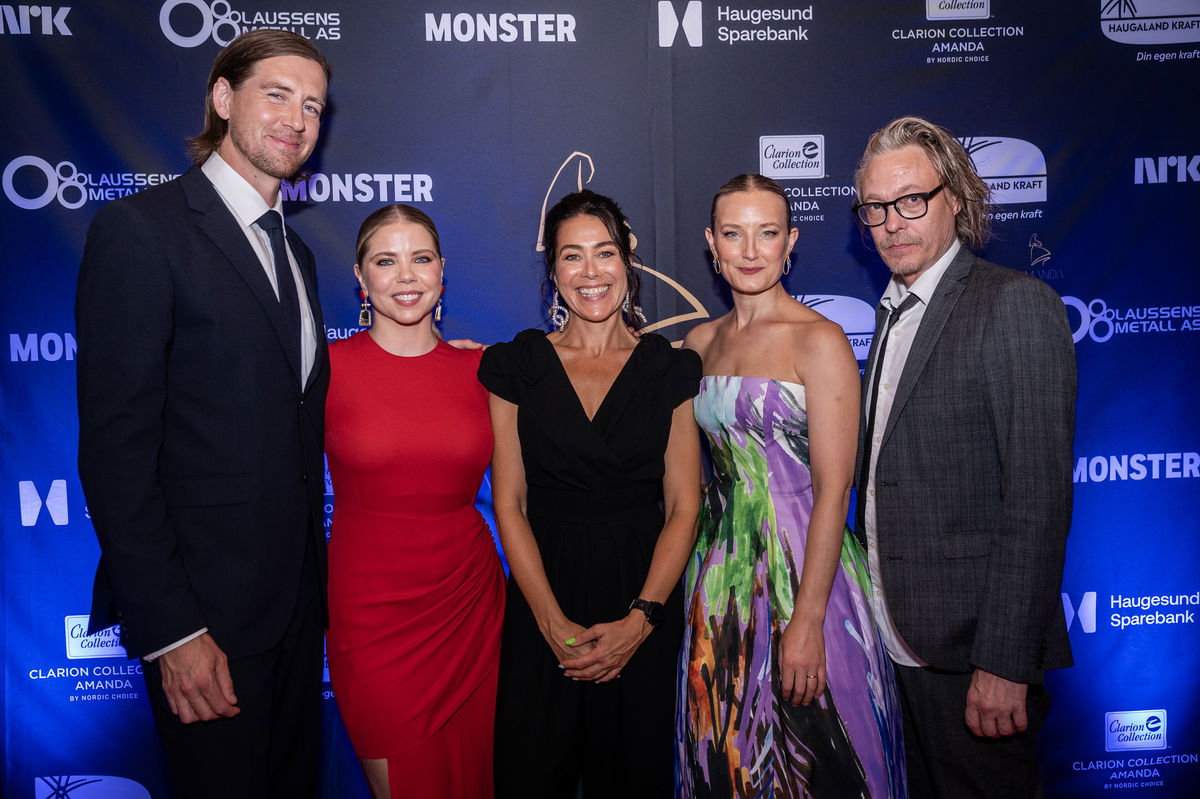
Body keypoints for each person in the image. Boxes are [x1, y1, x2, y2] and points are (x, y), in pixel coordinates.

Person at [75, 30, 331, 797]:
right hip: (204, 623)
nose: (297, 119)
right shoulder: (142, 232)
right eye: (277, 94)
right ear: (223, 98)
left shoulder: (299, 253)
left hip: (293, 617)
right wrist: (173, 633)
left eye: (313, 105)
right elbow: (116, 454)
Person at [852, 116, 1076, 798]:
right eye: (875, 209)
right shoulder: (889, 314)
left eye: (911, 199)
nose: (893, 222)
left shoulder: (1014, 305)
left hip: (975, 658)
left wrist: (1004, 663)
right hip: (893, 652)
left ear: (956, 196)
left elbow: (1036, 501)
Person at [677, 174, 906, 798]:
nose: (750, 250)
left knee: (821, 761)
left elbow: (836, 490)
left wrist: (806, 621)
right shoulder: (697, 344)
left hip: (806, 571)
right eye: (734, 233)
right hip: (722, 578)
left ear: (790, 243)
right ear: (712, 244)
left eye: (767, 232)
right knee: (729, 760)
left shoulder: (820, 340)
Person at [479, 189, 702, 797]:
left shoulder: (668, 367)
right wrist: (549, 622)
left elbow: (684, 505)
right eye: (571, 256)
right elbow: (510, 504)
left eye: (604, 253)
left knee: (633, 775)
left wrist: (642, 620)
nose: (590, 272)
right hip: (541, 592)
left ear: (627, 262)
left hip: (642, 594)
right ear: (552, 270)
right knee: (532, 772)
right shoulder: (517, 364)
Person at [325, 205, 505, 798]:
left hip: (470, 607)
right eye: (386, 261)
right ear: (361, 277)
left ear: (442, 270)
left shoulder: (483, 370)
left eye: (420, 258)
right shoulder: (324, 371)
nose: (406, 276)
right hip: (371, 617)